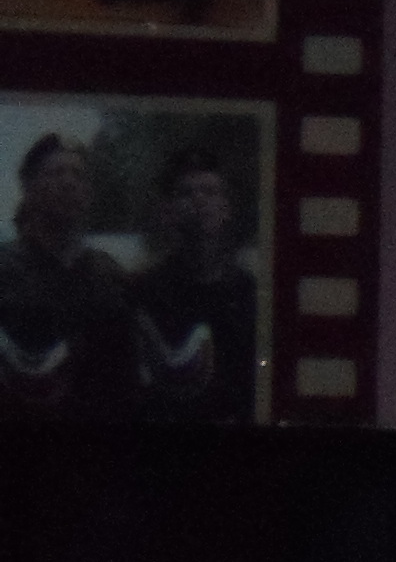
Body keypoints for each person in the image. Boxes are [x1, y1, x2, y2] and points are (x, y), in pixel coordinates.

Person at [0, 128, 131, 416]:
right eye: (55, 173)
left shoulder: (111, 275)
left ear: (88, 193)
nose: (68, 183)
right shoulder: (5, 270)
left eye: (78, 175)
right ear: (29, 189)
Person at [123, 146, 253, 420]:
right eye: (186, 192)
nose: (199, 200)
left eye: (210, 191)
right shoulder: (142, 294)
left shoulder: (250, 295)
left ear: (227, 208)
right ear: (167, 212)